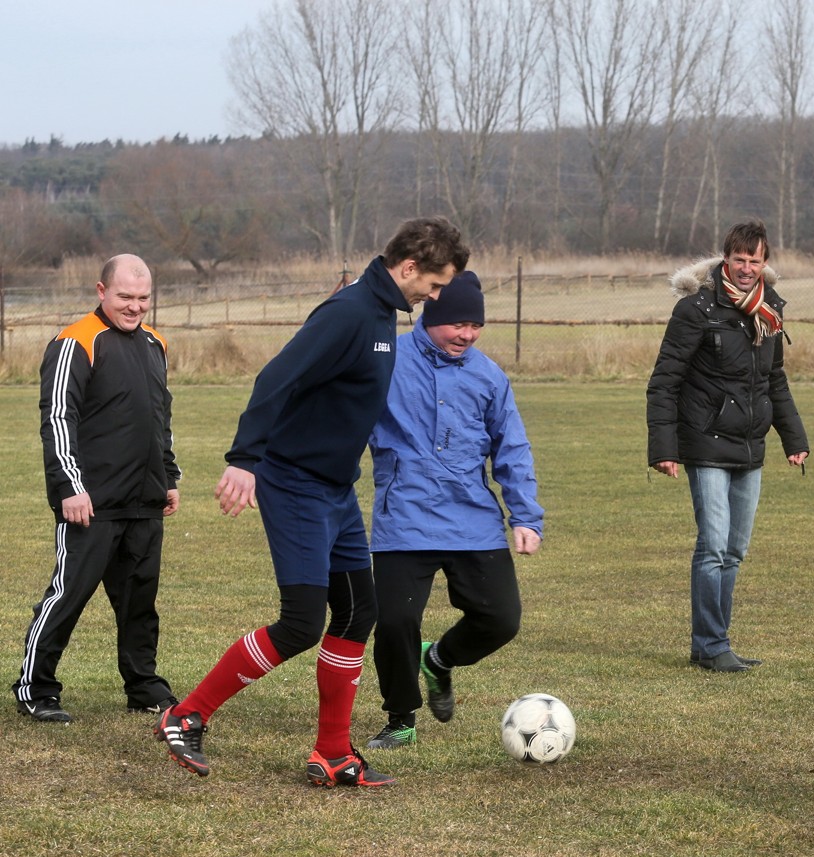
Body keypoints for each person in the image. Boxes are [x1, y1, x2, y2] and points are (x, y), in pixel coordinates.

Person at [155, 218, 470, 787]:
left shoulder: (380, 314)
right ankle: (185, 714)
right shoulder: (349, 313)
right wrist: (244, 459)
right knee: (302, 624)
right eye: (437, 282)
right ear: (408, 269)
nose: (438, 295)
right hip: (294, 482)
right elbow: (277, 377)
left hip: (335, 487)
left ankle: (332, 752)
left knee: (357, 611)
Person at [364, 271, 543, 749]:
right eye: (457, 324)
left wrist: (524, 516)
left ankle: (439, 660)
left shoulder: (488, 375)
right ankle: (400, 718)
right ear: (430, 317)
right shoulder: (386, 361)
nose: (467, 334)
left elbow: (513, 449)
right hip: (404, 515)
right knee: (396, 622)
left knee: (501, 620)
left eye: (476, 325)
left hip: (473, 518)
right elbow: (344, 420)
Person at [13, 254, 180, 723]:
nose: (135, 307)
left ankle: (144, 686)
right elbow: (57, 421)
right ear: (101, 291)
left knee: (140, 603)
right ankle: (36, 688)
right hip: (90, 502)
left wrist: (168, 477)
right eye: (125, 297)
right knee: (68, 595)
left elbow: (159, 419)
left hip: (144, 500)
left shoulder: (155, 344)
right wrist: (69, 486)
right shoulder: (75, 342)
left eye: (144, 298)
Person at [646, 220, 810, 673]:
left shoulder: (770, 309)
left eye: (755, 260)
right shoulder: (695, 309)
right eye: (739, 259)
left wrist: (793, 439)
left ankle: (710, 646)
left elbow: (773, 379)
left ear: (765, 263)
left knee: (735, 550)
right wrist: (664, 448)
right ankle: (713, 643)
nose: (746, 268)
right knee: (714, 545)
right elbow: (664, 383)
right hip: (705, 441)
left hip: (750, 445)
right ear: (726, 258)